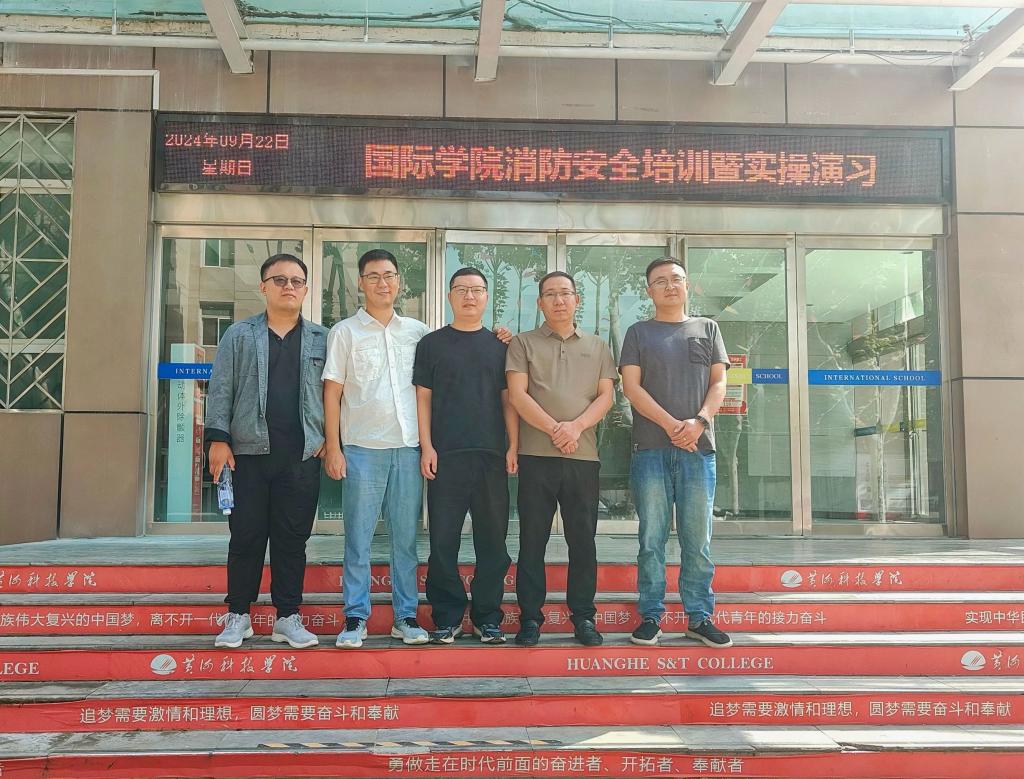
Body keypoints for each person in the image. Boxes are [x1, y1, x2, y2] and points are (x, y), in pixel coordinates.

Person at [206, 252, 326, 650]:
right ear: (263, 287)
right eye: (280, 280)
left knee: (292, 541)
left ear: (305, 289)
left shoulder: (322, 339)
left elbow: (337, 393)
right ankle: (238, 615)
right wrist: (218, 440)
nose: (289, 287)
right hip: (248, 456)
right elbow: (220, 388)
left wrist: (331, 438)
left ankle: (287, 617)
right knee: (246, 537)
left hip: (301, 457)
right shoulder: (239, 335)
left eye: (296, 281)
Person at [620, 257, 731, 649]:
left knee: (697, 538)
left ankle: (699, 617)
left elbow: (719, 383)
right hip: (650, 449)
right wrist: (671, 426)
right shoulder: (638, 332)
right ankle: (651, 616)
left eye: (676, 279)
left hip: (698, 450)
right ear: (648, 291)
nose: (670, 286)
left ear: (688, 285)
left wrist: (698, 422)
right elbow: (631, 388)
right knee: (651, 538)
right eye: (661, 281)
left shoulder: (708, 328)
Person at [322, 249, 431, 648]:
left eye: (389, 275)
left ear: (399, 281)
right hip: (361, 450)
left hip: (408, 449)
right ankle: (355, 618)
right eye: (373, 276)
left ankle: (406, 617)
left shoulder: (418, 332)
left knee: (405, 540)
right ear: (360, 283)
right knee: (358, 538)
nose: (382, 283)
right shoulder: (345, 332)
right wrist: (333, 448)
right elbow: (331, 393)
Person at [506, 271, 617, 647]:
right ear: (539, 302)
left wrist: (576, 427)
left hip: (582, 458)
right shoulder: (522, 343)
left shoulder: (598, 346)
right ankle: (530, 619)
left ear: (577, 300)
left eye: (565, 293)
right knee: (532, 541)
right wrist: (557, 429)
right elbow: (518, 396)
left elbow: (606, 397)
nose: (558, 300)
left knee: (582, 541)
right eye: (550, 295)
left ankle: (583, 617)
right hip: (536, 456)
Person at [414, 267, 518, 645]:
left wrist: (513, 445)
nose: (469, 296)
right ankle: (448, 617)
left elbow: (509, 400)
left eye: (476, 290)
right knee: (443, 543)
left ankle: (488, 617)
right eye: (461, 290)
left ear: (486, 297)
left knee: (493, 543)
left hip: (491, 457)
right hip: (446, 457)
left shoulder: (502, 346)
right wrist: (427, 446)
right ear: (449, 297)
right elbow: (423, 398)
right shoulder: (431, 344)